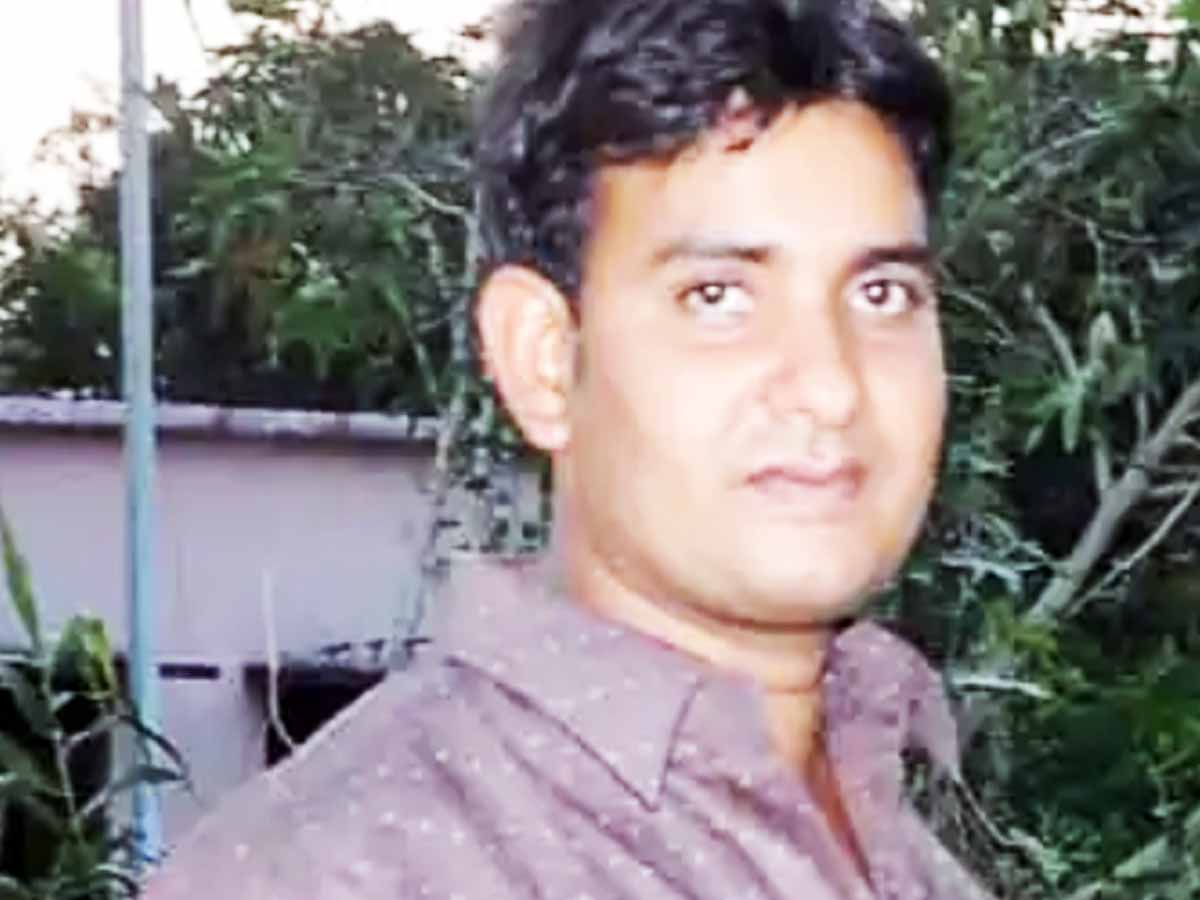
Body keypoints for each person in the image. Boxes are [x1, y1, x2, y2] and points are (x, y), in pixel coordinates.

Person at [143, 0, 995, 897]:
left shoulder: (902, 849)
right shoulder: (341, 872)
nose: (831, 385)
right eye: (717, 297)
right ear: (544, 361)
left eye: (882, 294)